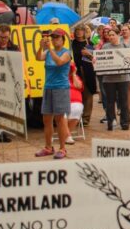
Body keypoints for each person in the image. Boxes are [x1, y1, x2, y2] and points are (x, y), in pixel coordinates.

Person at [36, 28, 71, 159]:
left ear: (63, 40)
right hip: (48, 87)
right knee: (46, 119)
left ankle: (62, 148)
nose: (55, 39)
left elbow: (60, 62)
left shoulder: (66, 52)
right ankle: (48, 146)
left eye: (57, 37)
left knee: (60, 119)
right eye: (53, 37)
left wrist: (50, 49)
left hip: (61, 88)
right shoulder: (47, 52)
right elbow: (38, 57)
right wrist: (40, 48)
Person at [99, 27, 130, 131]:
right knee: (110, 101)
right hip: (108, 79)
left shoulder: (125, 46)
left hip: (123, 78)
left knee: (123, 101)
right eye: (110, 35)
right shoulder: (105, 47)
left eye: (113, 34)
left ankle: (125, 123)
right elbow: (100, 60)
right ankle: (111, 121)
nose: (111, 37)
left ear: (118, 35)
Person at [72, 25, 97, 126]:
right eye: (77, 30)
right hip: (76, 71)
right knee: (77, 94)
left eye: (81, 30)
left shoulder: (89, 43)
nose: (79, 32)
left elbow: (94, 59)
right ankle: (77, 117)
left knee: (88, 93)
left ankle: (86, 117)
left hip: (87, 70)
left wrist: (88, 54)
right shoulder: (71, 43)